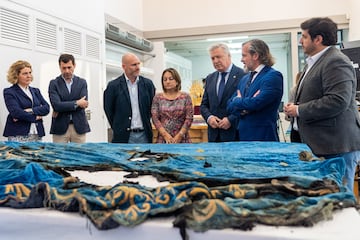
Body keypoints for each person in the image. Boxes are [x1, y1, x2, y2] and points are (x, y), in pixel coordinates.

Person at [283, 17, 360, 192]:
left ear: (318, 39)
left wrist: (299, 110)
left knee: (339, 200)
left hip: (336, 146)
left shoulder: (335, 61)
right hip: (322, 145)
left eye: (303, 36)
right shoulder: (314, 62)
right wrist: (293, 110)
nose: (300, 41)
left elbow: (338, 100)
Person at [227, 39, 283, 141]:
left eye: (244, 55)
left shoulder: (273, 76)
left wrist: (238, 101)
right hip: (243, 137)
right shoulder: (244, 79)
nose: (241, 60)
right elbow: (229, 105)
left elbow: (257, 103)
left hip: (263, 138)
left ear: (255, 56)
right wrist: (243, 109)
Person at [103, 53, 155, 143]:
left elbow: (153, 107)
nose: (138, 67)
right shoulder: (113, 86)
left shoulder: (148, 84)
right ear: (124, 66)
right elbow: (109, 110)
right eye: (134, 65)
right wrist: (118, 126)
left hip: (144, 135)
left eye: (139, 64)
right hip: (123, 136)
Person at [200, 43, 245, 142]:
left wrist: (231, 119)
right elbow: (204, 105)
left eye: (218, 57)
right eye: (213, 58)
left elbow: (245, 105)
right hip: (214, 136)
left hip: (235, 135)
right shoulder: (210, 78)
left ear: (229, 56)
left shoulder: (243, 75)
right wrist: (209, 117)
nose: (215, 61)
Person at [3, 60, 50, 142]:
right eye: (25, 73)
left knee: (36, 155)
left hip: (36, 132)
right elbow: (16, 112)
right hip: (18, 133)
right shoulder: (9, 92)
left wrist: (31, 110)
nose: (29, 76)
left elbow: (46, 108)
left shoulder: (36, 91)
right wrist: (36, 117)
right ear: (16, 75)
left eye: (30, 73)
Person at [48, 54, 90, 143]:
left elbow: (84, 104)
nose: (67, 71)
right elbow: (56, 106)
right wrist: (77, 103)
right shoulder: (54, 83)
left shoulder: (82, 82)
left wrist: (63, 105)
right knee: (59, 156)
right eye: (64, 68)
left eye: (69, 67)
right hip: (60, 127)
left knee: (79, 155)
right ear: (59, 67)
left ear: (74, 66)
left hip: (79, 126)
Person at [151, 68, 193, 143]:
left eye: (171, 79)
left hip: (182, 139)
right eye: (165, 79)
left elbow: (189, 118)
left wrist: (180, 135)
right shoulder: (157, 98)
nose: (168, 82)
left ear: (177, 81)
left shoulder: (186, 97)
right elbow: (155, 118)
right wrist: (165, 135)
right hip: (163, 139)